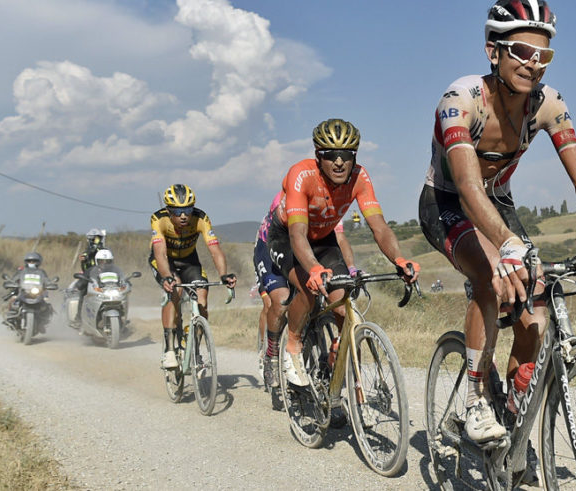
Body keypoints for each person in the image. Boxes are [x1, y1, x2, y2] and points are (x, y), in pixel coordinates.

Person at [417, 0, 576, 443]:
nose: (533, 65)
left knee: (533, 306)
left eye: (543, 56)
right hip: (447, 201)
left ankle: (514, 411)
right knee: (489, 273)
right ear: (492, 51)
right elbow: (468, 184)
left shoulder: (548, 104)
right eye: (520, 51)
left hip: (498, 201)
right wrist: (506, 248)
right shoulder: (460, 100)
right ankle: (475, 399)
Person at [269, 118, 419, 387]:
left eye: (346, 155)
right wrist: (313, 269)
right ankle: (292, 344)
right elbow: (297, 235)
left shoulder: (360, 177)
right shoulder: (301, 175)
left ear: (354, 157)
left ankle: (344, 375)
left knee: (343, 304)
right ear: (318, 157)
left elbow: (379, 227)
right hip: (288, 238)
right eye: (330, 155)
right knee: (308, 289)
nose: (339, 162)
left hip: (324, 239)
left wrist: (399, 259)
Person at [254, 190, 358, 389]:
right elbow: (292, 239)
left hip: (306, 244)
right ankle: (272, 355)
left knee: (326, 290)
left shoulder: (330, 206)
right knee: (280, 300)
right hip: (272, 245)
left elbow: (341, 239)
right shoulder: (291, 198)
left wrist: (350, 267)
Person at [149, 184, 237, 369]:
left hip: (189, 261)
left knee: (202, 295)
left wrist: (223, 275)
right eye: (177, 211)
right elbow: (160, 254)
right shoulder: (159, 219)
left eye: (188, 210)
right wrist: (166, 277)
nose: (183, 216)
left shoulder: (201, 218)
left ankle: (194, 346)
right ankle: (169, 350)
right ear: (168, 210)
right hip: (166, 262)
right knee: (176, 291)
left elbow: (215, 250)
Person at [71, 228, 107, 322]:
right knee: (82, 293)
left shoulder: (104, 251)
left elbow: (111, 265)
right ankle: (78, 317)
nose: (96, 241)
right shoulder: (87, 251)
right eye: (94, 239)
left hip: (103, 277)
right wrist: (86, 256)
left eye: (98, 238)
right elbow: (85, 261)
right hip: (89, 277)